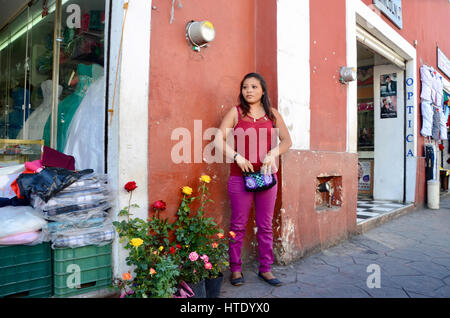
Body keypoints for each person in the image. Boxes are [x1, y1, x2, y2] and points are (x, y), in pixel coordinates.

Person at [214, 72, 292, 287]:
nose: (248, 90)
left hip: (267, 178)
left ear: (263, 91)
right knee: (238, 225)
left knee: (265, 225)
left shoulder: (272, 114)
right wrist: (237, 157)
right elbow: (218, 140)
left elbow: (287, 141)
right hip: (240, 178)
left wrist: (272, 153)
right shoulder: (236, 113)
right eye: (245, 87)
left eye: (254, 87)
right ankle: (236, 269)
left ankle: (265, 269)